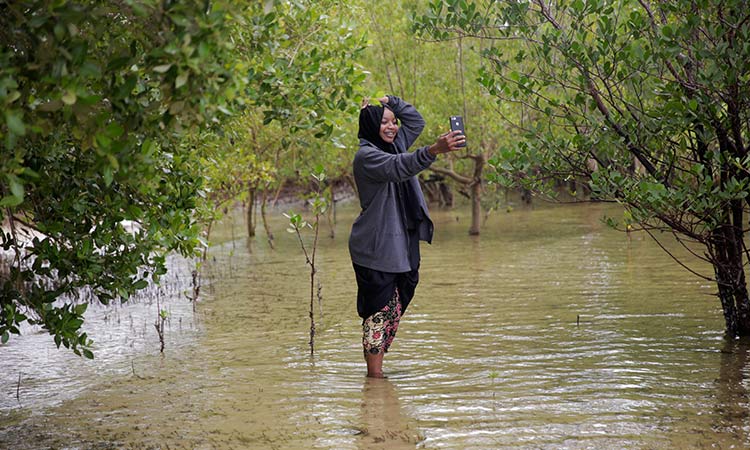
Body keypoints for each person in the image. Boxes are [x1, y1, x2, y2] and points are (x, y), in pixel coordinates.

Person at [349, 95, 465, 378]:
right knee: (378, 312)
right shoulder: (367, 157)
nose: (392, 127)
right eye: (384, 122)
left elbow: (416, 121)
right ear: (370, 126)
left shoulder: (395, 144)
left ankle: (377, 375)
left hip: (402, 242)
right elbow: (399, 167)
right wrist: (434, 150)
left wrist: (392, 101)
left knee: (395, 306)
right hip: (377, 247)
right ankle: (374, 379)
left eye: (393, 122)